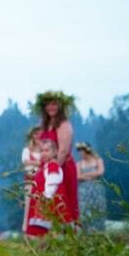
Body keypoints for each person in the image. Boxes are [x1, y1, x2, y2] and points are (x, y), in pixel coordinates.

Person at [33, 91, 80, 227]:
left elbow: (63, 151)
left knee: (63, 202)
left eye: (54, 104)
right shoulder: (45, 124)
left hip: (61, 168)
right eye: (48, 104)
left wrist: (53, 170)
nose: (51, 107)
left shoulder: (64, 125)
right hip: (47, 168)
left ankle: (68, 235)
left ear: (60, 106)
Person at [25, 137, 70, 237]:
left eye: (47, 150)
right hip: (43, 205)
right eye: (41, 151)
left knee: (51, 232)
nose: (44, 153)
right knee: (42, 234)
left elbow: (52, 182)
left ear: (54, 152)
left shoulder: (52, 166)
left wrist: (46, 196)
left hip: (50, 205)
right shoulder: (44, 167)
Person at [75, 142, 106, 231]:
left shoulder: (98, 160)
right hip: (84, 190)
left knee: (98, 208)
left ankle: (98, 230)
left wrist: (86, 175)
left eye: (82, 151)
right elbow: (78, 176)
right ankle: (85, 230)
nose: (80, 153)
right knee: (84, 209)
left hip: (97, 189)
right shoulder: (79, 164)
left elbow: (100, 172)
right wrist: (92, 175)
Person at [20, 126, 43, 232]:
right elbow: (27, 166)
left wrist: (33, 162)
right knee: (29, 207)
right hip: (30, 183)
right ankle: (27, 229)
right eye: (35, 134)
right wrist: (39, 164)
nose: (38, 136)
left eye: (40, 133)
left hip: (43, 183)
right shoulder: (26, 150)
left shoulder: (45, 151)